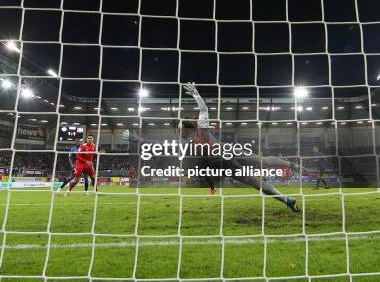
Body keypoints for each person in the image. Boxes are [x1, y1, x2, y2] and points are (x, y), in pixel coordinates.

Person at [124, 83, 300, 212]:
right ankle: (287, 171)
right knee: (262, 163)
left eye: (179, 127)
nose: (178, 129)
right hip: (228, 156)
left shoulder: (186, 143)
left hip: (223, 164)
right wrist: (196, 94)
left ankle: (287, 198)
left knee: (258, 181)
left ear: (184, 128)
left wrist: (137, 139)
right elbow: (204, 110)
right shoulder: (201, 130)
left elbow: (159, 145)